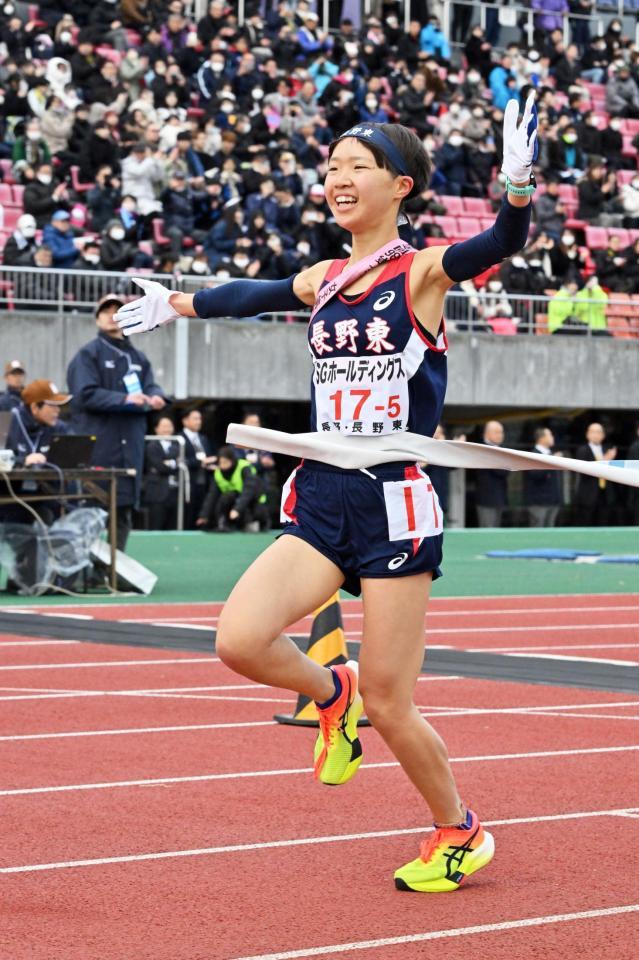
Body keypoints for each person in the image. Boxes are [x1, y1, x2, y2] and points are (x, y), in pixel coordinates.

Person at [114, 102, 536, 893]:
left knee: (391, 699)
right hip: (321, 496)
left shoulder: (422, 271)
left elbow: (499, 245)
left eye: (357, 166)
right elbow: (253, 292)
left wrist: (515, 190)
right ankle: (325, 690)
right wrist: (174, 305)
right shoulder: (324, 278)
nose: (338, 178)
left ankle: (458, 830)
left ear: (399, 185)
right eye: (333, 166)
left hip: (394, 505)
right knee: (239, 641)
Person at [66, 294, 168, 551]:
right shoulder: (87, 354)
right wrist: (125, 399)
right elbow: (84, 394)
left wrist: (156, 396)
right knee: (91, 511)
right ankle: (83, 571)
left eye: (118, 311)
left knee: (123, 510)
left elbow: (150, 385)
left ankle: (115, 571)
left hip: (129, 447)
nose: (113, 316)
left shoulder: (138, 357)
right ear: (97, 319)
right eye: (106, 311)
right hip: (100, 447)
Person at [196, 445, 269, 532]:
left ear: (232, 460)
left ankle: (254, 523)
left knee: (254, 514)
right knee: (225, 498)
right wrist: (204, 515)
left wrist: (237, 509)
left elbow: (248, 492)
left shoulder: (244, 468)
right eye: (221, 462)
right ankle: (224, 524)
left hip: (252, 502)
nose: (223, 465)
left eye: (225, 462)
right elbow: (212, 495)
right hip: (233, 505)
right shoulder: (218, 473)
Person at [573, 422, 618, 526]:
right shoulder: (582, 450)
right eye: (593, 432)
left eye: (598, 432)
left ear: (603, 435)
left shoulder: (607, 449)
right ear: (587, 434)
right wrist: (604, 460)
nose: (595, 435)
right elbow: (584, 471)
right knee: (586, 524)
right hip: (588, 495)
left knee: (603, 523)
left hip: (605, 494)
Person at [179, 407, 216, 528]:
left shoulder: (203, 438)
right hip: (187, 484)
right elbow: (181, 461)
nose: (198, 421)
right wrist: (200, 462)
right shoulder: (179, 439)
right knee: (187, 517)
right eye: (195, 418)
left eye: (200, 418)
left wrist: (211, 464)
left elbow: (209, 456)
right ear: (185, 421)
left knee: (201, 514)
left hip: (203, 482)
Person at [143, 415, 181, 530]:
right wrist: (175, 463)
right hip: (157, 494)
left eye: (169, 426)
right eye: (164, 426)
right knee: (156, 526)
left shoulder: (177, 445)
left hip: (174, 493)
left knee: (173, 527)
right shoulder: (151, 446)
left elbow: (184, 463)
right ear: (156, 429)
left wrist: (169, 463)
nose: (167, 429)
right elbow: (160, 467)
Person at [524, 427, 562, 527]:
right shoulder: (533, 454)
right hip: (538, 503)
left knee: (551, 535)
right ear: (541, 438)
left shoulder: (550, 454)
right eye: (550, 435)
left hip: (553, 502)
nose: (553, 437)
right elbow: (535, 474)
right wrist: (552, 461)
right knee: (537, 534)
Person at [474, 420, 509, 526]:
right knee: (487, 531)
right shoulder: (482, 448)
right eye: (497, 432)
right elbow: (500, 470)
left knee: (496, 533)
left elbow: (507, 471)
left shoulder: (501, 449)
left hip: (500, 498)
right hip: (486, 500)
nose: (500, 435)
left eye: (501, 432)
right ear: (487, 433)